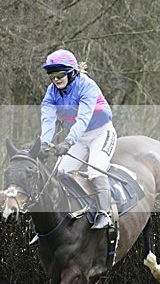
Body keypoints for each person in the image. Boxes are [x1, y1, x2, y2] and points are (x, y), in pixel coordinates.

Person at [39, 49, 117, 229]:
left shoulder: (87, 86)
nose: (56, 79)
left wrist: (68, 141)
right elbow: (48, 119)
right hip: (79, 138)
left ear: (73, 72)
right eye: (52, 75)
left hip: (101, 133)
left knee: (96, 171)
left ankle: (104, 213)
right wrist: (44, 143)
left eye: (60, 74)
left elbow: (83, 119)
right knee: (60, 173)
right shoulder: (51, 92)